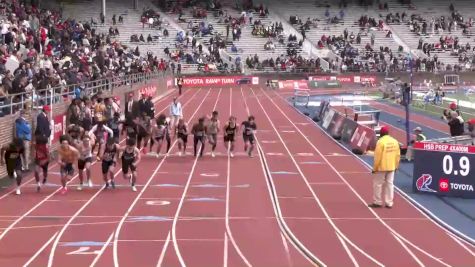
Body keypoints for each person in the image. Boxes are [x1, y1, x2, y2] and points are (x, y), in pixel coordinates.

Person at [369, 126, 400, 209]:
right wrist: (396, 166)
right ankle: (389, 203)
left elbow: (377, 157)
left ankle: (377, 202)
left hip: (381, 167)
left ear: (381, 133)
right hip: (392, 166)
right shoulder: (395, 141)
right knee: (390, 184)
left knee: (378, 184)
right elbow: (397, 155)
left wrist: (374, 168)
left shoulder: (380, 142)